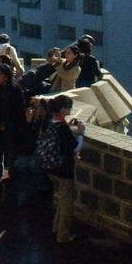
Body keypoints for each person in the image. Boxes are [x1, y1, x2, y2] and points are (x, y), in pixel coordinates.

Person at [45, 95, 84, 243]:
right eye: (69, 108)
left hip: (52, 168)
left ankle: (56, 227)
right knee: (67, 203)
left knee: (61, 199)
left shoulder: (51, 122)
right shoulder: (62, 128)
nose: (70, 110)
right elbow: (76, 147)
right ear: (63, 109)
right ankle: (63, 235)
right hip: (64, 170)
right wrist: (80, 132)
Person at [0, 63, 25, 183]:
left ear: (6, 76)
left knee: (11, 154)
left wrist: (14, 125)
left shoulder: (15, 88)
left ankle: (12, 177)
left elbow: (19, 109)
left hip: (11, 128)